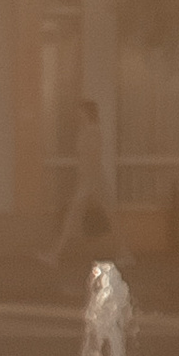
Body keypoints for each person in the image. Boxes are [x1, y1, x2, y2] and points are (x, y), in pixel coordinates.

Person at [44, 98, 111, 273]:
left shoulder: (93, 131)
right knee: (101, 216)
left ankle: (54, 255)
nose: (77, 114)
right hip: (87, 180)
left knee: (74, 216)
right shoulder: (85, 131)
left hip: (92, 180)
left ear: (86, 112)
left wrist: (91, 181)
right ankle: (55, 254)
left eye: (79, 111)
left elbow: (95, 157)